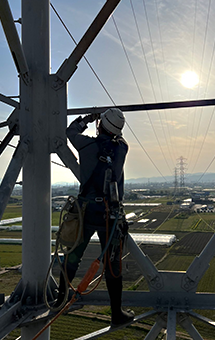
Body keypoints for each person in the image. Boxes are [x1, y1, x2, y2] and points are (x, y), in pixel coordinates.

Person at [56, 108, 134, 326]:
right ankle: (116, 314)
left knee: (72, 255)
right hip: (111, 216)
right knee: (112, 264)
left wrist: (89, 119)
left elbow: (70, 131)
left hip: (86, 212)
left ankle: (59, 300)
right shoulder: (122, 149)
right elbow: (116, 139)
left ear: (101, 125)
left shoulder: (87, 146)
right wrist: (107, 125)